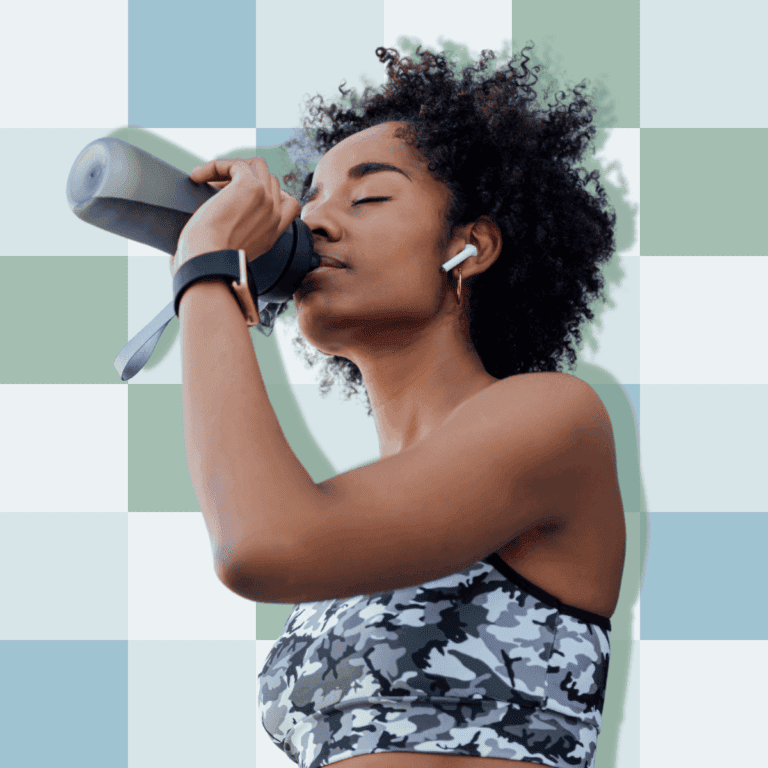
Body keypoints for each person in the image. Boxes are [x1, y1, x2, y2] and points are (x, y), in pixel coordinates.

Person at [173, 44, 625, 768]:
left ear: (469, 247)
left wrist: (204, 274)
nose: (316, 223)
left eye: (369, 196)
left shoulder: (554, 419)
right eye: (310, 201)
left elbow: (259, 543)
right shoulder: (357, 520)